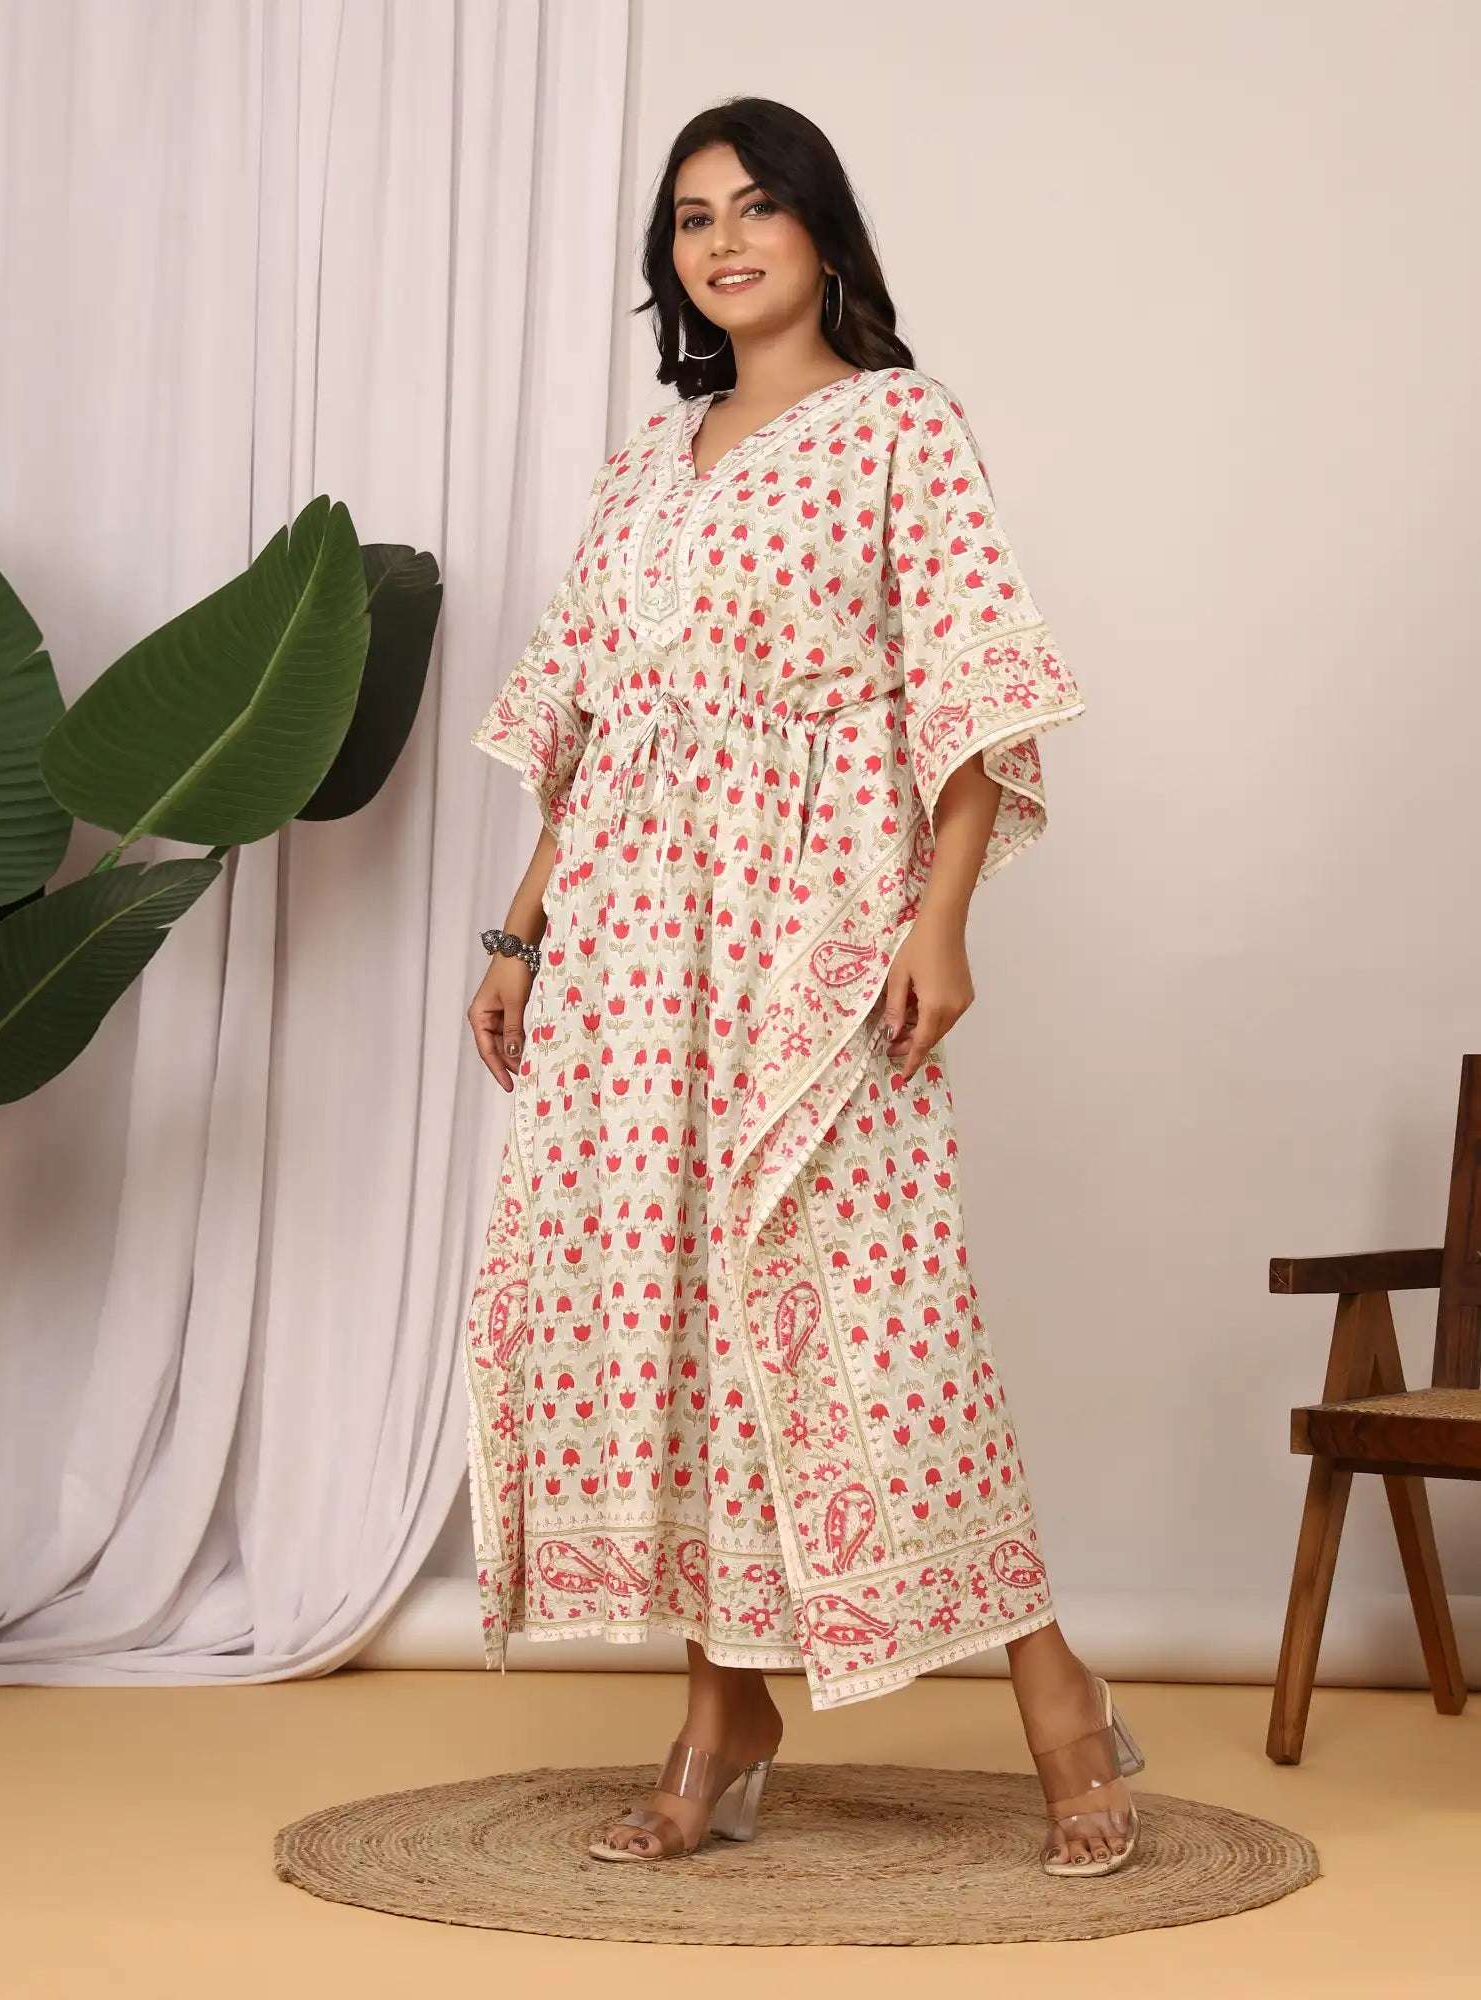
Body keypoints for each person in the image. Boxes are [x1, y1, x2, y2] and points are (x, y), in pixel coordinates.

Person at [464, 96, 1142, 1877]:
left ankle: (1059, 1700)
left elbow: (971, 684)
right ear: (669, 260)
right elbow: (594, 728)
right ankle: (723, 1714)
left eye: (757, 206)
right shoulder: (645, 467)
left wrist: (942, 920)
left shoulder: (899, 426)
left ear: (822, 232)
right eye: (693, 217)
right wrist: (523, 934)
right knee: (690, 1320)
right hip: (632, 948)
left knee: (882, 1327)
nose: (724, 240)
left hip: (814, 929)